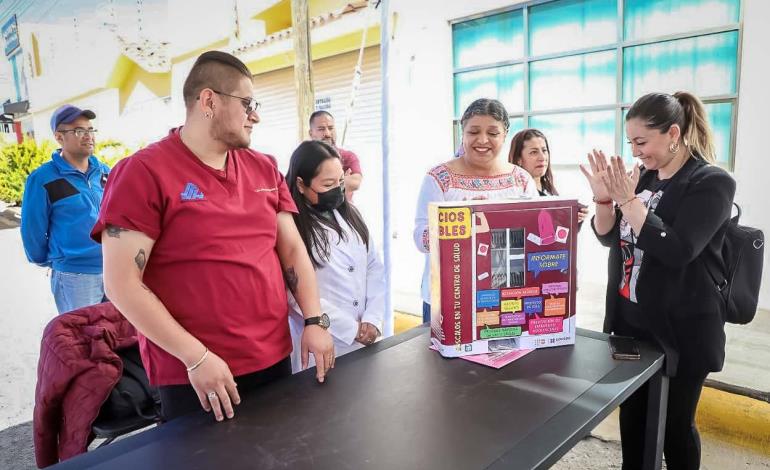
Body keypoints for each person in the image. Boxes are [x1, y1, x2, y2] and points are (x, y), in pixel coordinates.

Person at [91, 51, 334, 423]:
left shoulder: (263, 167)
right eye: (247, 103)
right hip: (197, 375)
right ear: (209, 101)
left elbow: (291, 250)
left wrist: (315, 321)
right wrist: (196, 356)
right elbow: (121, 283)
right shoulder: (142, 173)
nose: (256, 115)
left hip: (272, 358)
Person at [580, 91, 735, 470]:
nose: (635, 152)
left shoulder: (711, 182)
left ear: (673, 133)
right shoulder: (644, 178)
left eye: (642, 142)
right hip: (631, 324)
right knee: (633, 421)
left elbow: (680, 249)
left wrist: (628, 201)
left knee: (675, 429)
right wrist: (604, 201)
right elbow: (609, 237)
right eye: (631, 142)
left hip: (682, 329)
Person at [413, 98, 538, 323]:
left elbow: (535, 238)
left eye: (492, 133)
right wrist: (461, 221)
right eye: (473, 132)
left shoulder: (521, 180)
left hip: (505, 295)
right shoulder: (439, 178)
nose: (482, 140)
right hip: (449, 296)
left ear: (505, 135)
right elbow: (420, 239)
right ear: (463, 133)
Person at [285, 140, 385, 373]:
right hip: (326, 340)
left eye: (341, 181)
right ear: (301, 184)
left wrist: (372, 319)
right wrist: (352, 329)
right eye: (328, 184)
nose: (338, 190)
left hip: (367, 338)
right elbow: (293, 291)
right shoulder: (292, 225)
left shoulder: (351, 214)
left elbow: (374, 267)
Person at [21, 105, 110, 314]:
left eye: (90, 130)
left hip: (114, 269)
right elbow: (32, 230)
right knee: (83, 340)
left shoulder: (105, 171)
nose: (88, 136)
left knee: (116, 338)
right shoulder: (43, 178)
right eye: (79, 131)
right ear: (59, 137)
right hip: (75, 276)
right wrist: (55, 260)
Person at [509, 128, 589, 223]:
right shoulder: (514, 196)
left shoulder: (551, 191)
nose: (542, 157)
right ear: (519, 159)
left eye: (544, 150)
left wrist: (574, 219)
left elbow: (562, 235)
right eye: (534, 152)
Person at [308, 110, 362, 201]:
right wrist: (342, 182)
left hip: (345, 212)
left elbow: (355, 183)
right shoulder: (304, 159)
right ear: (311, 133)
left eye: (331, 128)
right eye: (321, 129)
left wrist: (316, 185)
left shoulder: (347, 156)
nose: (328, 134)